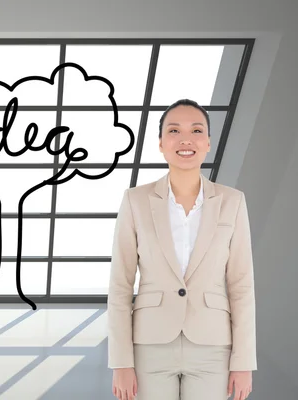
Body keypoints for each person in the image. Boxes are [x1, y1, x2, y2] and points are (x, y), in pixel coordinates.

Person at [107, 99, 257, 400]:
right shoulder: (135, 200)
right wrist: (121, 361)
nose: (185, 139)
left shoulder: (233, 201)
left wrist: (244, 362)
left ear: (208, 143)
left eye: (196, 130)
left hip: (213, 346)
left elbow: (241, 286)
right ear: (161, 144)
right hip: (149, 344)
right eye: (174, 130)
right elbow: (120, 285)